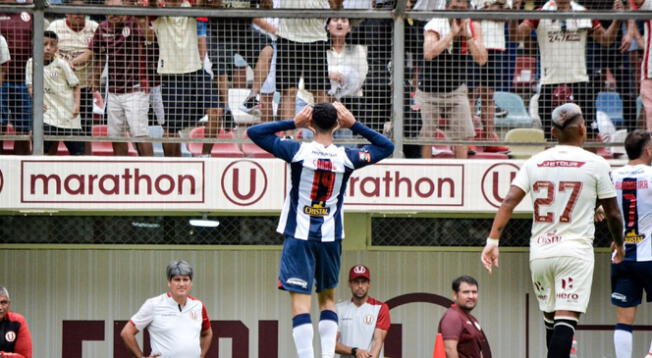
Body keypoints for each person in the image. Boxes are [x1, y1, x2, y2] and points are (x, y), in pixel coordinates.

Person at [247, 102, 394, 358]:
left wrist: (293, 123)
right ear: (337, 125)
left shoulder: (297, 151)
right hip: (330, 237)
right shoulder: (347, 157)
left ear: (310, 124)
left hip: (299, 235)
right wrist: (355, 125)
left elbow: (255, 133)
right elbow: (387, 147)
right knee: (327, 298)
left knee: (300, 302)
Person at [481, 103, 625, 358]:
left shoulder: (534, 162)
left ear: (552, 132)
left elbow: (508, 202)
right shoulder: (596, 163)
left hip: (541, 252)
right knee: (566, 320)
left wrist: (493, 240)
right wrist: (620, 243)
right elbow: (613, 213)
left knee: (552, 322)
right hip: (574, 252)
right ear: (582, 129)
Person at [509, 0, 623, 139]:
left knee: (588, 136)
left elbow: (606, 40)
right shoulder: (539, 14)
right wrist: (513, 14)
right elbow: (515, 36)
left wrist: (617, 19)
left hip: (579, 81)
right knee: (550, 137)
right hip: (550, 82)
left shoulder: (583, 14)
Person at [415, 0, 488, 159]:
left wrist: (467, 37)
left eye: (462, 9)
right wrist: (451, 34)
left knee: (462, 137)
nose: (458, 12)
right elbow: (428, 53)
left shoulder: (473, 27)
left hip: (456, 91)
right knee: (425, 137)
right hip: (428, 92)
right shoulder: (434, 24)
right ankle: (424, 172)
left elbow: (482, 59)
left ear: (469, 9)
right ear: (446, 8)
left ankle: (461, 174)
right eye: (454, 8)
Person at [148, 0, 220, 157]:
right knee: (170, 131)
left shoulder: (192, 6)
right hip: (169, 74)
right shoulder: (158, 9)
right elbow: (150, 7)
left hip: (195, 70)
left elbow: (209, 5)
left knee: (216, 110)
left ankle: (205, 156)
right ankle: (173, 169)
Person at [88, 0, 154, 156]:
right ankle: (121, 170)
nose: (114, 13)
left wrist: (143, 23)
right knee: (116, 135)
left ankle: (150, 169)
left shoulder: (135, 21)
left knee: (140, 134)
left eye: (117, 9)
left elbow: (151, 37)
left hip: (136, 89)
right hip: (113, 92)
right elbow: (98, 53)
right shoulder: (102, 28)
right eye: (110, 10)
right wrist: (95, 76)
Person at [610, 130, 652, 358]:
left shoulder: (613, 176)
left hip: (622, 255)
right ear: (648, 150)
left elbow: (608, 213)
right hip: (649, 255)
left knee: (624, 319)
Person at [120, 260, 213, 357]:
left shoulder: (198, 305)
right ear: (169, 282)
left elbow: (207, 333)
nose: (181, 284)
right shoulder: (153, 304)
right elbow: (127, 333)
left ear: (191, 283)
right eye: (177, 279)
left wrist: (201, 356)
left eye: (185, 280)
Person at [48, 0, 99, 154]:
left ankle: (86, 166)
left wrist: (96, 75)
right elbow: (46, 51)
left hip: (83, 88)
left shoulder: (94, 28)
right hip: (58, 90)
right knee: (52, 130)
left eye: (81, 9)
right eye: (74, 10)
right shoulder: (55, 27)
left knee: (84, 131)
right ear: (66, 12)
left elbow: (100, 54)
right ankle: (45, 166)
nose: (78, 13)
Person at [26, 31, 84, 155]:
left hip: (68, 115)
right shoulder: (31, 63)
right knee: (40, 150)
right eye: (44, 44)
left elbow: (76, 85)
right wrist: (37, 102)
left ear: (56, 48)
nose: (48, 48)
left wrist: (77, 106)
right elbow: (31, 87)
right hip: (48, 115)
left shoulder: (62, 64)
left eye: (52, 45)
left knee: (78, 154)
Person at [335, 265, 390, 358]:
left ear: (369, 284)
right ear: (349, 284)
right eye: (356, 282)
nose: (360, 286)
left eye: (363, 282)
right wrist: (354, 351)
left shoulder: (380, 308)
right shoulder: (338, 309)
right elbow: (332, 344)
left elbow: (378, 341)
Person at [0, 6, 34, 155]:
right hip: (1, 81)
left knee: (24, 129)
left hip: (24, 81)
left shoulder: (30, 13)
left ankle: (22, 165)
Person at [438, 276, 488, 358]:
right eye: (466, 292)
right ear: (455, 294)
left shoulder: (472, 319)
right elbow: (449, 349)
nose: (471, 296)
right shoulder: (453, 317)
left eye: (474, 292)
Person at [0, 287, 32, 358]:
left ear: (9, 304)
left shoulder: (18, 321)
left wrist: (2, 356)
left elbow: (25, 356)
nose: (0, 307)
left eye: (3, 302)